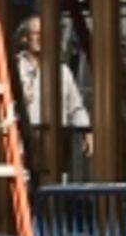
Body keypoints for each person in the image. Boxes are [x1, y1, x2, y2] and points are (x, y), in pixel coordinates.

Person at [14, 17, 93, 173]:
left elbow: (75, 107)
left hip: (55, 146)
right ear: (25, 37)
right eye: (36, 33)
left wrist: (86, 130)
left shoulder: (62, 72)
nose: (41, 38)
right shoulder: (14, 69)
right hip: (23, 144)